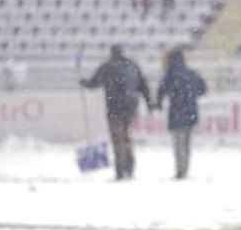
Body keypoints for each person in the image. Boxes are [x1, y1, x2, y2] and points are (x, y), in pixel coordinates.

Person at [80, 45, 153, 180]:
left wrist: (83, 82)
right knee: (126, 136)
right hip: (130, 107)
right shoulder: (132, 65)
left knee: (117, 139)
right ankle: (129, 167)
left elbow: (93, 83)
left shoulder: (107, 67)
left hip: (114, 107)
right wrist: (149, 104)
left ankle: (120, 170)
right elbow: (143, 85)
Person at [155, 48, 207, 179]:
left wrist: (159, 104)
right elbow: (203, 89)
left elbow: (161, 92)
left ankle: (180, 170)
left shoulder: (170, 75)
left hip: (176, 113)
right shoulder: (192, 74)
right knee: (187, 143)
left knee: (178, 144)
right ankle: (185, 168)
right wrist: (192, 95)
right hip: (191, 113)